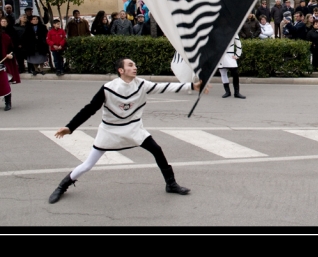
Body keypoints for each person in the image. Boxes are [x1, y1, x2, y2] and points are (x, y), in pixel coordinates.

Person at [48, 58, 206, 204]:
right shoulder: (108, 88)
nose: (134, 67)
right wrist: (70, 127)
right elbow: (89, 109)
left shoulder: (142, 84)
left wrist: (192, 86)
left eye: (135, 65)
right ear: (120, 70)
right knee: (88, 164)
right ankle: (62, 186)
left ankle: (171, 184)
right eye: (130, 65)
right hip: (110, 131)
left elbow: (165, 87)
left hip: (134, 129)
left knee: (157, 150)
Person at [219, 35, 244, 99]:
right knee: (223, 73)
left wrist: (238, 54)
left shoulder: (233, 30)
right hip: (220, 56)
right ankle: (227, 92)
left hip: (230, 55)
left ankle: (237, 92)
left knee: (235, 73)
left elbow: (238, 43)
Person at [0, 17, 22, 84]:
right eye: (2, 21)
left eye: (5, 21)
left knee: (11, 65)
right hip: (2, 50)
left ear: (7, 22)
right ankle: (5, 79)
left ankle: (13, 78)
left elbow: (15, 39)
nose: (3, 23)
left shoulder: (11, 29)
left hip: (10, 49)